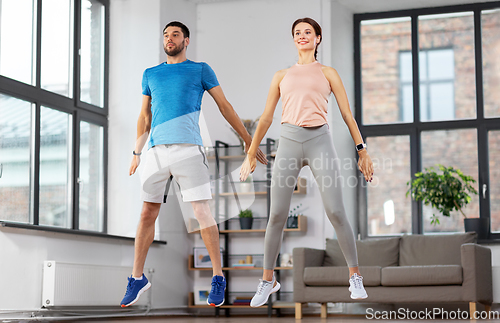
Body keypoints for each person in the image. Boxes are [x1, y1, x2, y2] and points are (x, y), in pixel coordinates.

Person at [120, 21, 267, 308]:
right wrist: (136, 152)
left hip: (188, 149)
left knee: (201, 212)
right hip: (156, 152)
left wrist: (249, 140)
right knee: (146, 215)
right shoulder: (150, 74)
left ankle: (217, 277)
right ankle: (137, 277)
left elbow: (225, 107)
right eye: (165, 34)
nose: (169, 38)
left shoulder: (200, 69)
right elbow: (143, 117)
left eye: (175, 34)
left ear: (186, 40)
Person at [240, 17, 374, 307]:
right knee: (276, 215)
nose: (302, 36)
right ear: (294, 39)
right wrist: (251, 151)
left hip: (319, 141)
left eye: (307, 32)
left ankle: (355, 276)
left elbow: (347, 115)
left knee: (336, 211)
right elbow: (266, 118)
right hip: (288, 141)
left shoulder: (328, 73)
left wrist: (362, 150)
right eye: (297, 33)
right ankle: (267, 280)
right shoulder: (281, 75)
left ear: (318, 38)